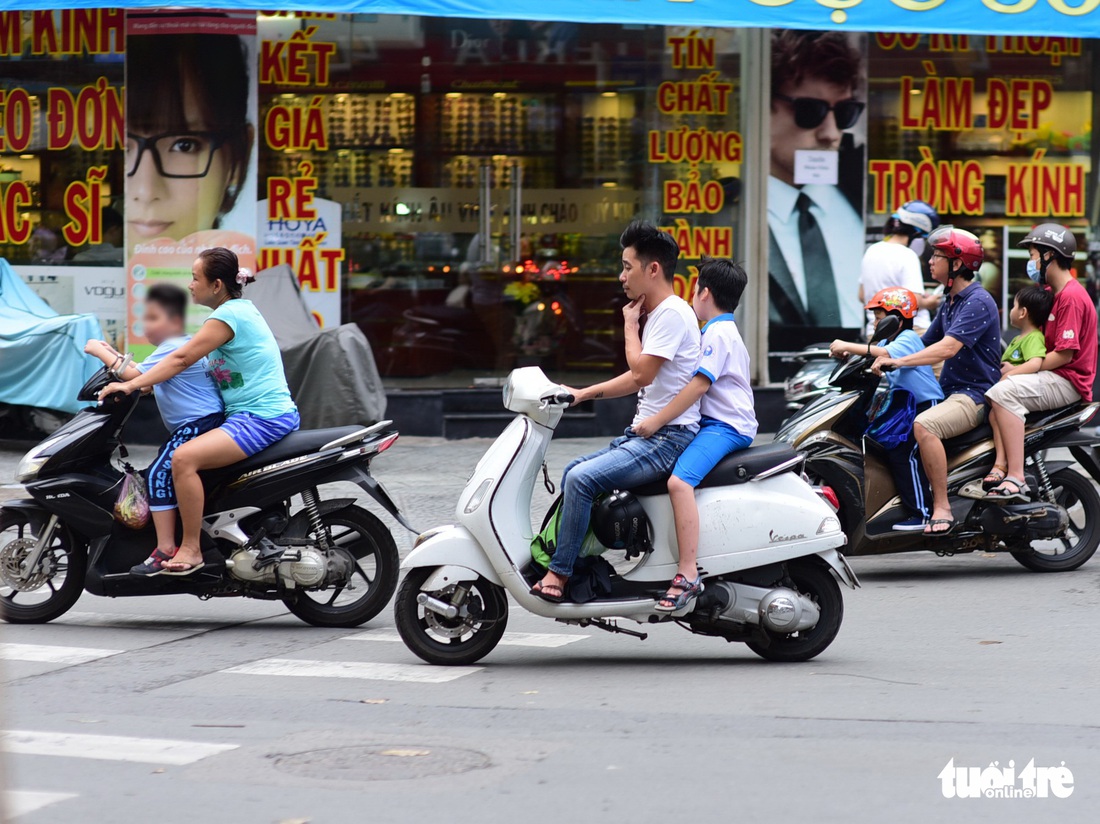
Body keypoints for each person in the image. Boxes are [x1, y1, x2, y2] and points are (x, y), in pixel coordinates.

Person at [99, 247, 299, 575]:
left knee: (183, 459)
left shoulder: (228, 317)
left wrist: (129, 385)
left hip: (262, 417)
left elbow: (181, 359)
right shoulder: (237, 310)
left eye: (195, 278)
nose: (191, 285)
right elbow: (176, 367)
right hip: (247, 416)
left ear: (217, 285)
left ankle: (191, 549)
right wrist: (139, 377)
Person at [531, 221, 699, 603]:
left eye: (627, 266)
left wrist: (628, 324)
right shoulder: (662, 314)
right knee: (574, 471)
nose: (621, 276)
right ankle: (576, 557)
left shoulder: (671, 314)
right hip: (650, 433)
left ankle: (561, 573)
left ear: (652, 269)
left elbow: (640, 375)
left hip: (667, 439)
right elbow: (640, 377)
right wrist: (580, 395)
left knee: (581, 481)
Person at [633, 259, 757, 611]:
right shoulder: (720, 330)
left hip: (726, 427)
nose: (690, 298)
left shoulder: (717, 334)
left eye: (694, 289)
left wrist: (657, 420)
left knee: (678, 483)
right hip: (716, 424)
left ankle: (687, 572)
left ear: (704, 292)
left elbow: (699, 385)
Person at [84, 285, 225, 575]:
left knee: (161, 472)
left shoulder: (176, 347)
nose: (145, 325)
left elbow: (137, 378)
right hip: (196, 424)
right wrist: (115, 356)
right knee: (158, 471)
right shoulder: (172, 348)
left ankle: (164, 550)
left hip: (198, 424)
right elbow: (147, 380)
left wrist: (100, 352)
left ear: (173, 321)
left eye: (152, 317)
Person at [872, 226, 1001, 535]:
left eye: (937, 256)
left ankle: (940, 506)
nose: (930, 261)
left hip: (973, 395)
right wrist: (876, 349)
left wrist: (898, 360)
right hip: (950, 391)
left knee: (924, 425)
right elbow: (922, 343)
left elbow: (946, 348)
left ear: (957, 264)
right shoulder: (951, 302)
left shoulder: (977, 301)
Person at [985, 224, 1098, 501]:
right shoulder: (1056, 294)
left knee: (1003, 392)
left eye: (1034, 254)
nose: (1031, 262)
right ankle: (999, 466)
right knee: (993, 397)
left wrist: (1016, 371)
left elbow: (1064, 355)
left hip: (1068, 381)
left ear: (1050, 256)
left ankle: (1016, 476)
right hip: (1057, 377)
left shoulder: (1070, 297)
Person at [768, 30, 865, 330]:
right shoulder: (728, 211)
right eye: (811, 111)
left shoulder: (859, 189)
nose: (832, 133)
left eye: (845, 113)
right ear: (762, 105)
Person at [126, 33, 253, 250]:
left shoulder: (271, 279)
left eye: (184, 145)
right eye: (121, 145)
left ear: (238, 156)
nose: (145, 192)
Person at [831, 288, 943, 530]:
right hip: (905, 405)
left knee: (904, 453)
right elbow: (871, 353)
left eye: (880, 318)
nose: (875, 322)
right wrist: (849, 353)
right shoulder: (885, 340)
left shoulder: (908, 339)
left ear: (897, 320)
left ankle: (922, 513)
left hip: (925, 406)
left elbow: (882, 354)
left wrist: (846, 343)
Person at [981, 285, 1054, 492]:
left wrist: (1008, 374)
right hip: (1001, 397)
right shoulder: (1016, 339)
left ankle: (1001, 464)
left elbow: (1035, 363)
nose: (1010, 310)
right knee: (994, 417)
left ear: (1022, 313)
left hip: (1012, 395)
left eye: (1013, 305)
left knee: (996, 417)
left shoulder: (1034, 338)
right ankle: (1000, 462)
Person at [858, 201, 941, 337]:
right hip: (910, 330)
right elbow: (915, 301)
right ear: (916, 234)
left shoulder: (871, 251)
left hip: (875, 332)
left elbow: (862, 295)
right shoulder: (907, 254)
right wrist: (931, 302)